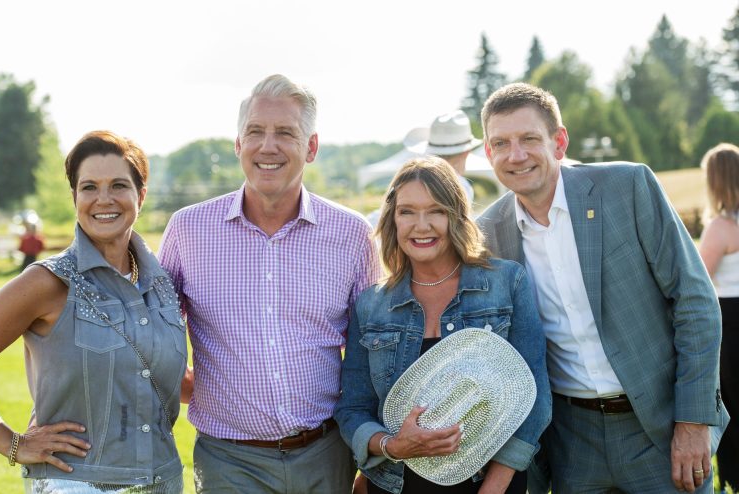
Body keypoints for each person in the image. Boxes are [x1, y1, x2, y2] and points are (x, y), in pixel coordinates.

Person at [476, 82, 728, 493]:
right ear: (489, 153)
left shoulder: (627, 189)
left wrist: (693, 421)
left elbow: (695, 301)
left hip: (659, 427)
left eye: (529, 139)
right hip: (570, 441)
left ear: (559, 142)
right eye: (501, 143)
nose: (515, 155)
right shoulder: (487, 233)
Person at [158, 74, 380, 493]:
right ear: (238, 144)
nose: (268, 146)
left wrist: (371, 457)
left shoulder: (351, 234)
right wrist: (193, 386)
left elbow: (373, 351)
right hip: (229, 459)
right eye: (255, 132)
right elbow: (148, 335)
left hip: (327, 452)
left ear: (311, 147)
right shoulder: (188, 230)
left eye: (285, 133)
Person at [0, 130, 187, 492]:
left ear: (141, 195)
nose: (104, 199)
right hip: (76, 485)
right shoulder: (46, 282)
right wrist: (12, 444)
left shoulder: (162, 283)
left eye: (119, 185)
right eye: (89, 187)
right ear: (74, 197)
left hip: (163, 481)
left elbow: (152, 372)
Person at [334, 156, 550, 494]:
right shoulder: (372, 304)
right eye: (407, 211)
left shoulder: (506, 283)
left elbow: (533, 397)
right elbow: (353, 409)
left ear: (457, 217)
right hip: (397, 483)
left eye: (436, 210)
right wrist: (391, 446)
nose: (421, 226)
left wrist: (495, 487)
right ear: (393, 219)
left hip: (488, 482)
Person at [698, 142, 739, 493]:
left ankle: (734, 474)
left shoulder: (722, 227)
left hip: (730, 319)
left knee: (730, 399)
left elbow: (700, 280)